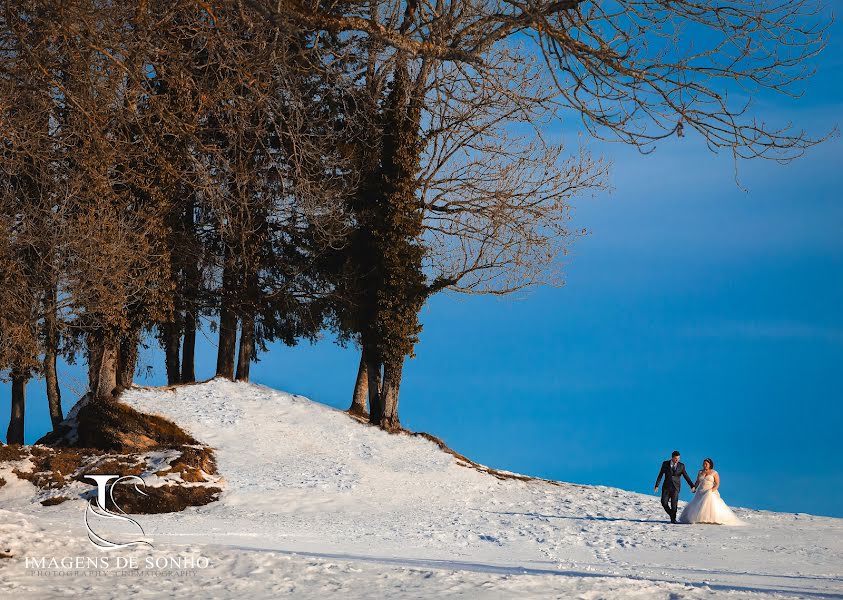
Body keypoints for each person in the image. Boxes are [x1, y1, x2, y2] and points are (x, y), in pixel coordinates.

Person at [678, 458, 744, 525]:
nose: (704, 465)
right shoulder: (700, 472)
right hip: (700, 491)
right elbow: (698, 481)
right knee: (698, 505)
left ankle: (710, 519)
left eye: (706, 464)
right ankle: (698, 518)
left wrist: (712, 490)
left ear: (710, 465)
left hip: (710, 491)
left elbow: (717, 483)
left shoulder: (714, 473)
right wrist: (694, 487)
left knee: (708, 505)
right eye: (704, 464)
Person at [654, 450, 695, 524]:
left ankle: (673, 520)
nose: (677, 460)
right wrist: (657, 485)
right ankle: (672, 515)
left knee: (674, 505)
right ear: (672, 457)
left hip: (675, 488)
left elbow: (686, 476)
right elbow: (660, 475)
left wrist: (692, 485)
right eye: (676, 458)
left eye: (678, 458)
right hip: (666, 487)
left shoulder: (681, 466)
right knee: (664, 503)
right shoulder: (665, 463)